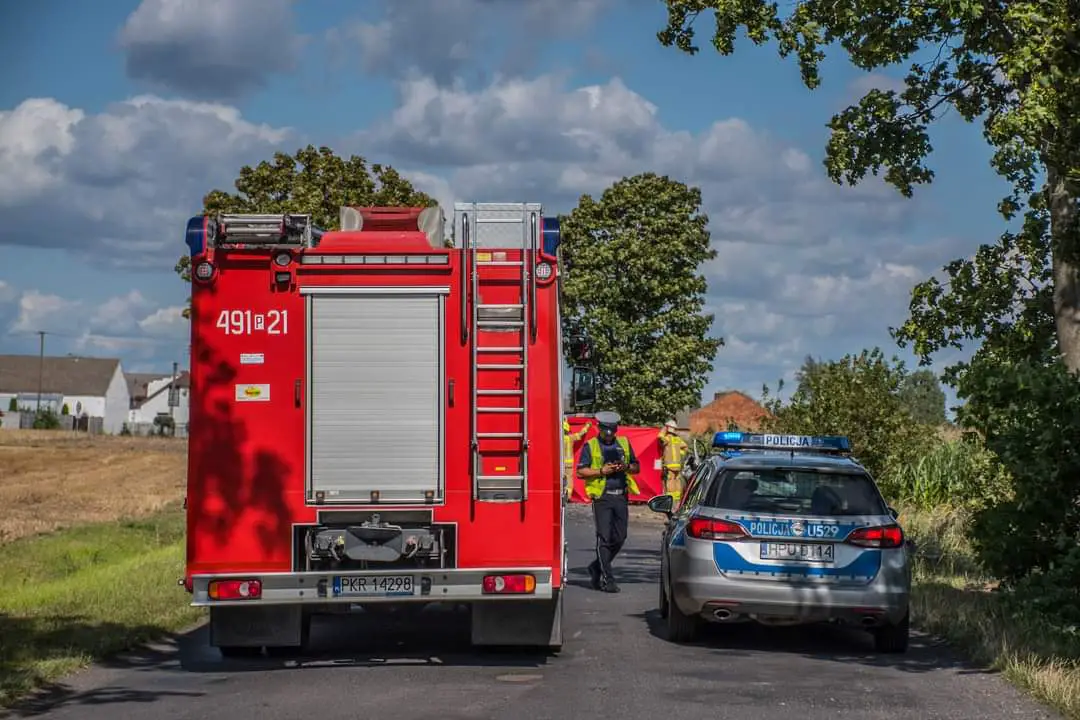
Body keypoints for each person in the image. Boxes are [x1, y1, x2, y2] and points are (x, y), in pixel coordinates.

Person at [577, 410, 640, 593]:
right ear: (600, 428)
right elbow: (581, 471)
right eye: (606, 431)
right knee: (604, 538)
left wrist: (625, 467)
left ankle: (596, 567)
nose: (609, 435)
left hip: (621, 496)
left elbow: (636, 467)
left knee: (620, 537)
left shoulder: (624, 443)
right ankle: (608, 579)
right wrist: (601, 471)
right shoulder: (591, 445)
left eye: (612, 431)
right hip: (602, 497)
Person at [657, 420, 689, 501]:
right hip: (677, 464)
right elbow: (685, 447)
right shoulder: (678, 439)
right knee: (677, 479)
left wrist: (663, 431)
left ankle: (670, 497)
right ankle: (677, 497)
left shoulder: (667, 438)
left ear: (667, 428)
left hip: (670, 465)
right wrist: (680, 454)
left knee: (670, 480)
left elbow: (660, 437)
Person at [562, 418, 593, 500]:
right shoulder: (570, 437)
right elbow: (581, 433)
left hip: (559, 463)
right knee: (569, 479)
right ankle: (568, 496)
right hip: (569, 463)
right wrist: (587, 426)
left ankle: (560, 494)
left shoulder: (558, 438)